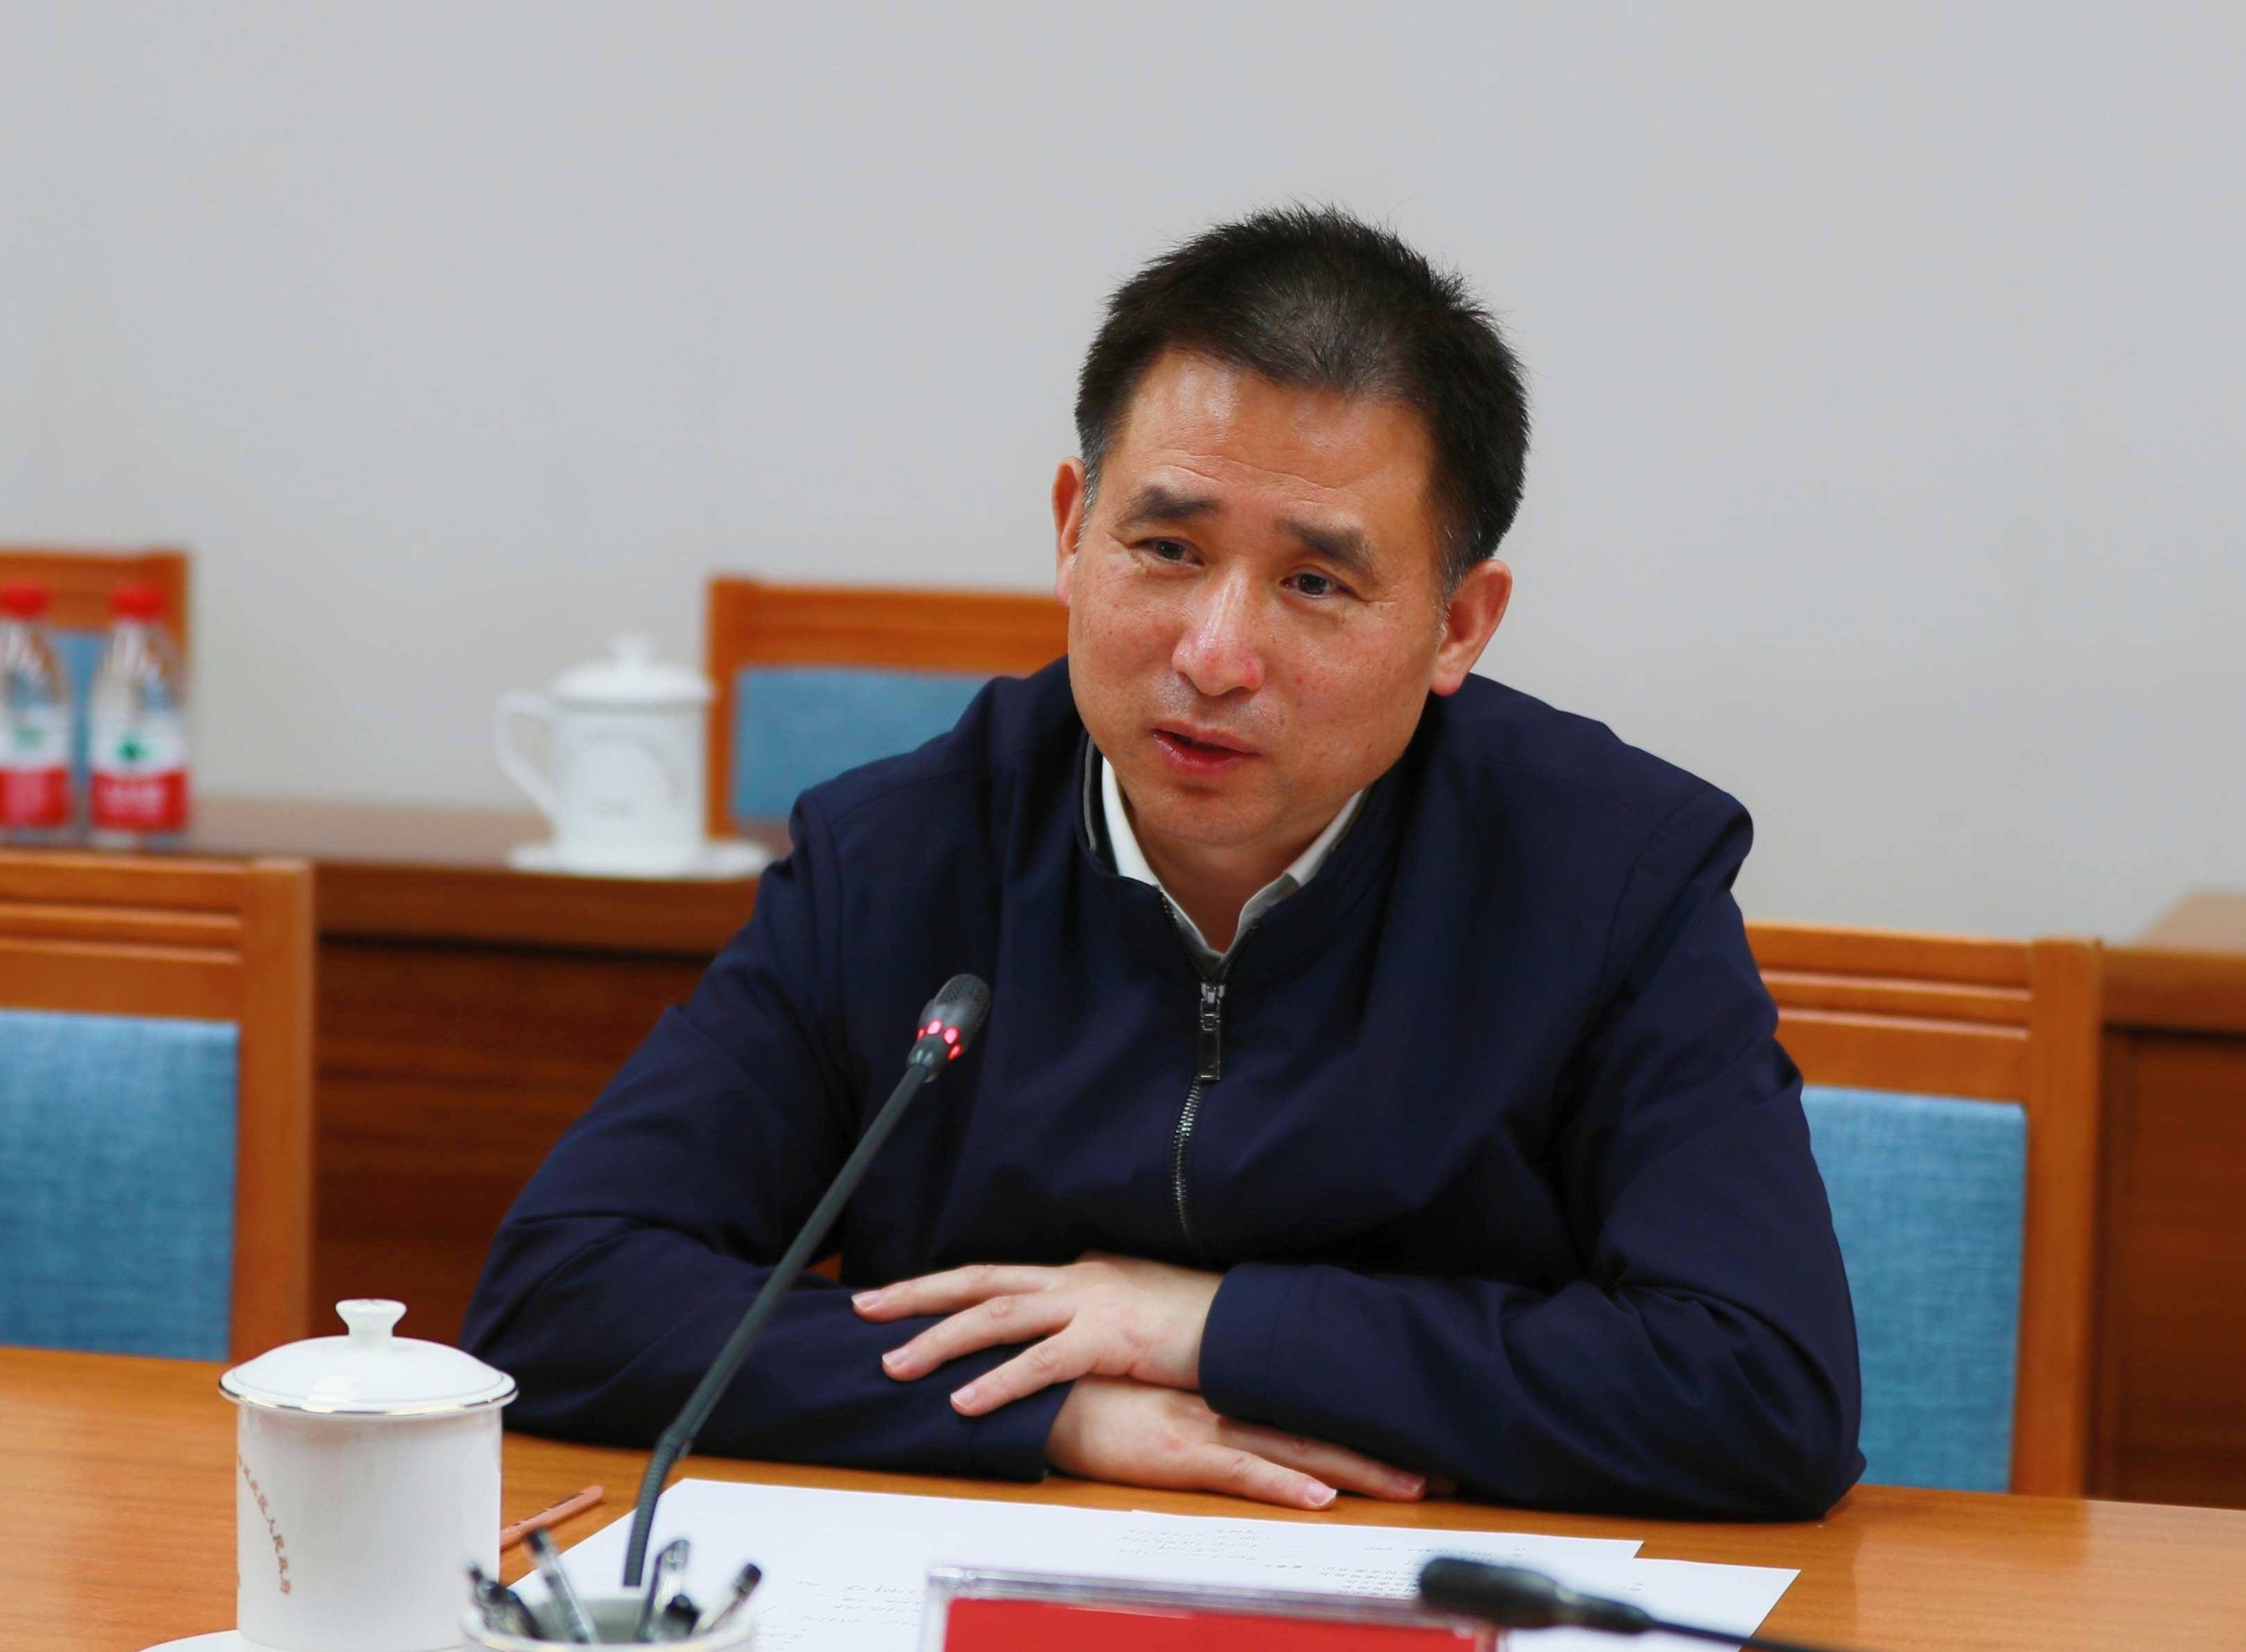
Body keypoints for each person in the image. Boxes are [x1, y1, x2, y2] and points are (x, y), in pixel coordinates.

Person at [463, 207, 1862, 1519]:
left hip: (1431, 1614)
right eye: (1168, 547)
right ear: (1074, 533)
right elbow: (561, 1293)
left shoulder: (1607, 878)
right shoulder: (902, 854)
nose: (1215, 654)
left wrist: (1210, 1327)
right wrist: (1049, 1406)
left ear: (1458, 625)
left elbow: (1762, 1386)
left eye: (1316, 583)